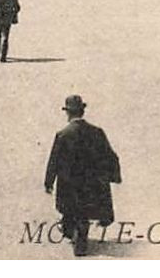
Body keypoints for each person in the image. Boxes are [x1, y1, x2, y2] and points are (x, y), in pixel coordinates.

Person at [43, 95, 121, 257]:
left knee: (72, 211)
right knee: (83, 213)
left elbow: (54, 160)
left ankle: (76, 238)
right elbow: (110, 156)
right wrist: (113, 176)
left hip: (69, 184)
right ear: (82, 111)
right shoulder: (97, 132)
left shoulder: (63, 134)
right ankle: (79, 238)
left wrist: (49, 182)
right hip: (91, 183)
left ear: (68, 113)